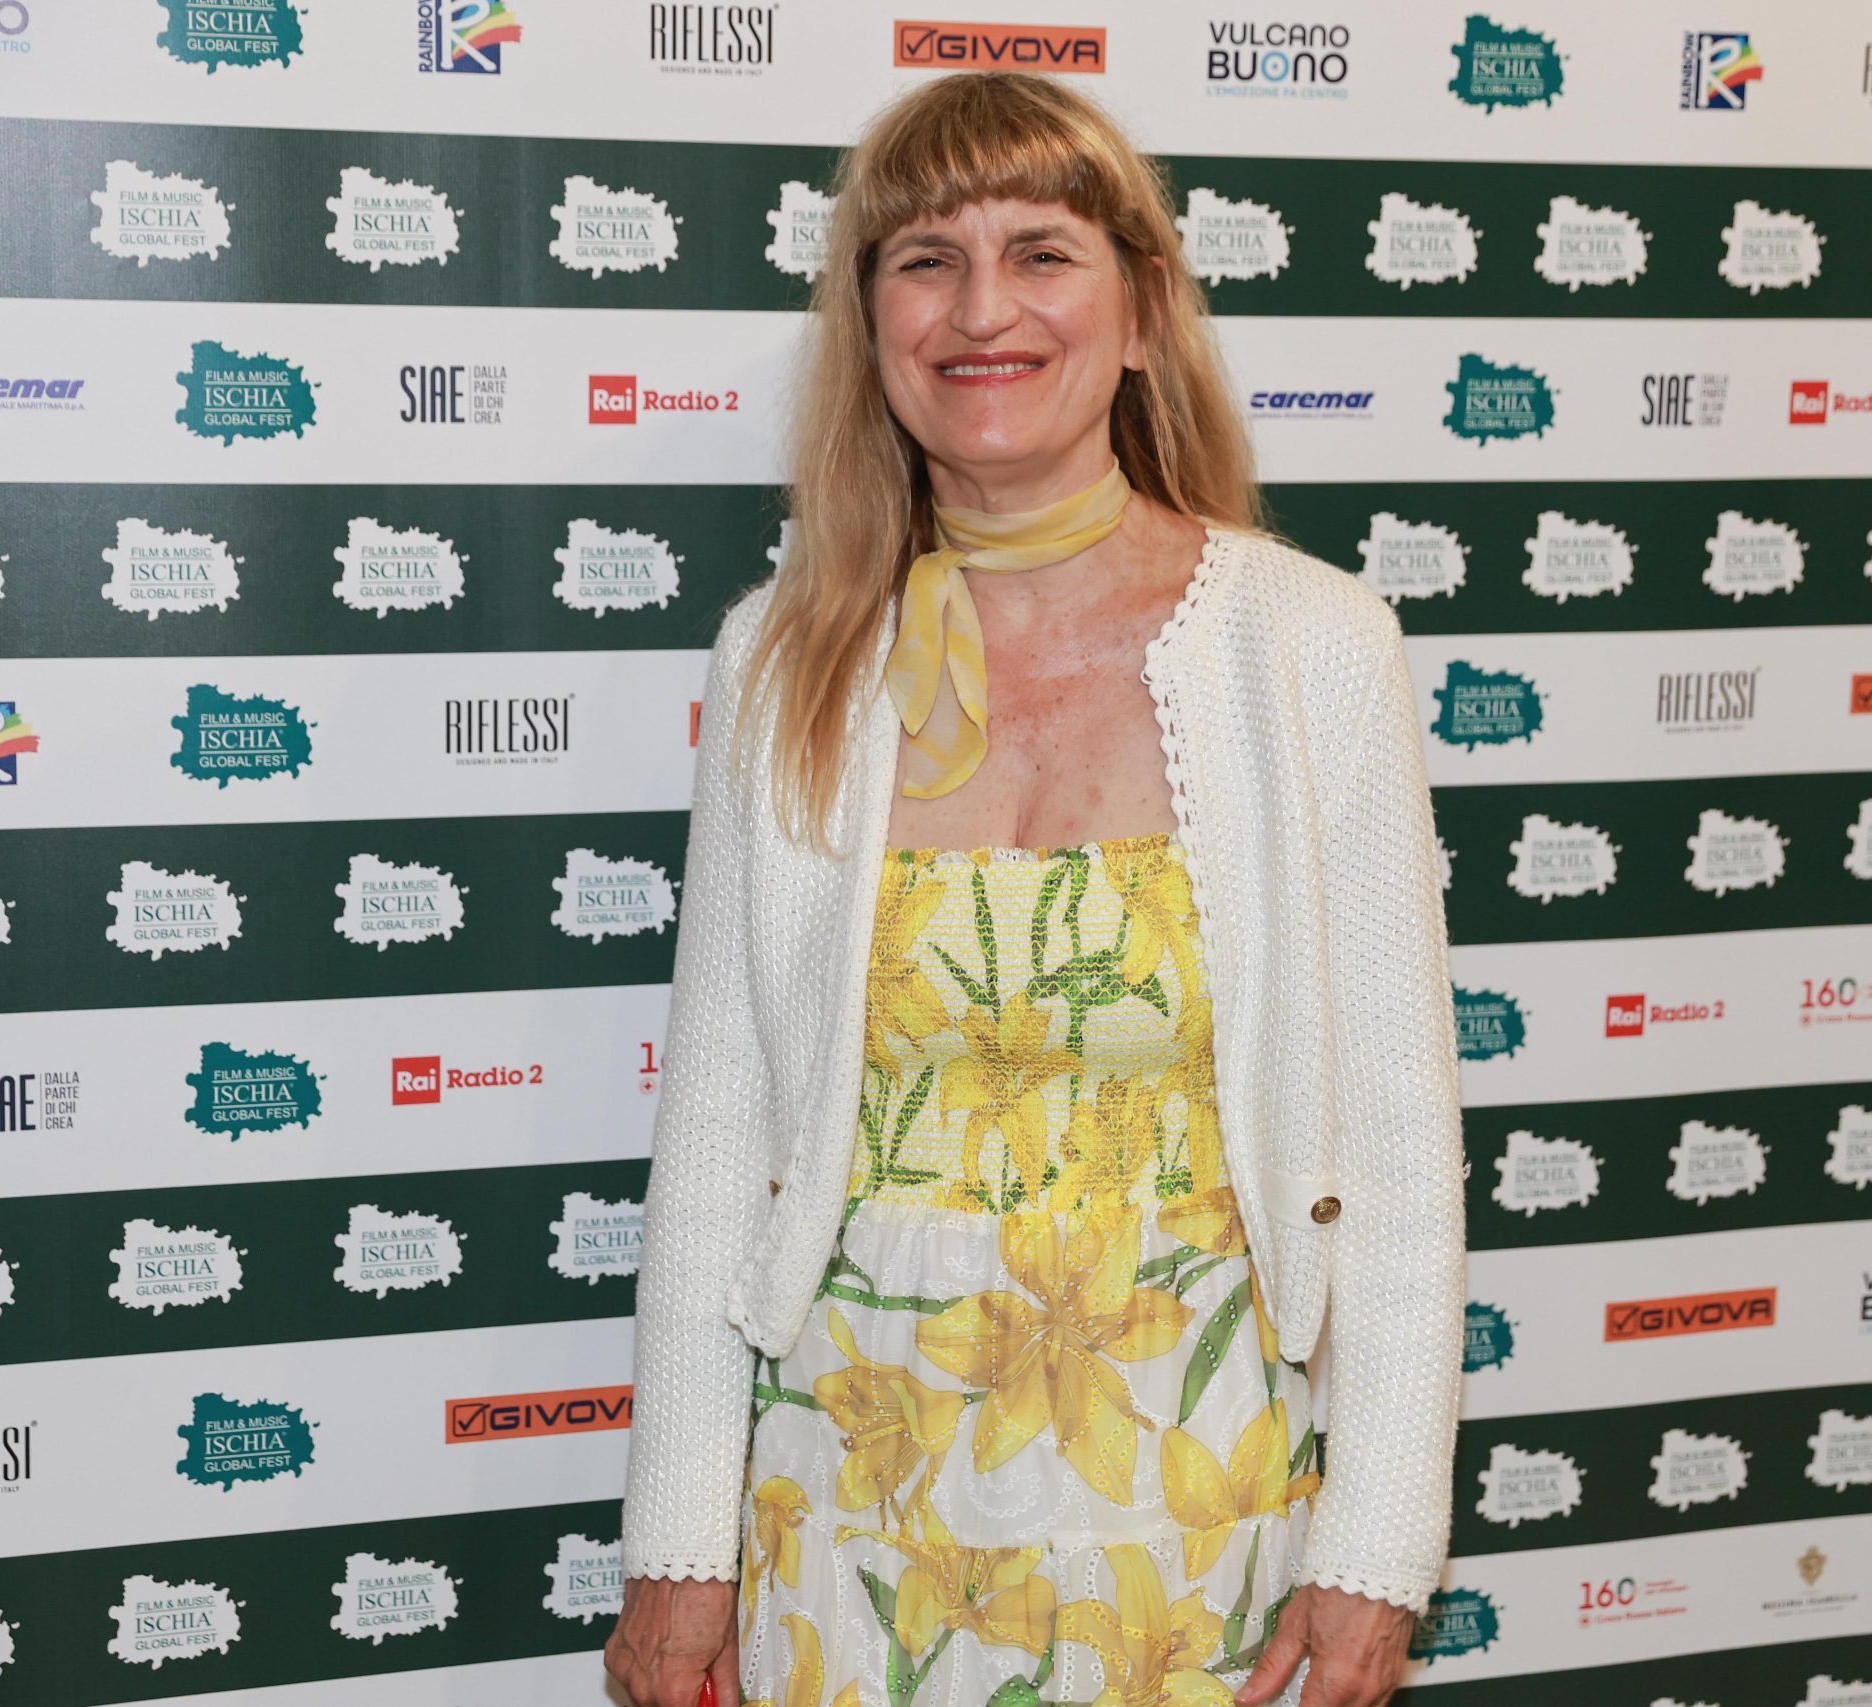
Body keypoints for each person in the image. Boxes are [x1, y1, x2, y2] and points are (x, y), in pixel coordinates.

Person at [604, 70, 1464, 1707]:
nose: (981, 310)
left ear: (1141, 314)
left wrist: (1374, 1554)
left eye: (1041, 253)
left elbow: (1396, 1146)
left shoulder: (1310, 646)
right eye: (925, 260)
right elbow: (721, 1127)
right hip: (846, 1498)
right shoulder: (786, 656)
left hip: (1191, 1501)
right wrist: (681, 1547)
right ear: (870, 325)